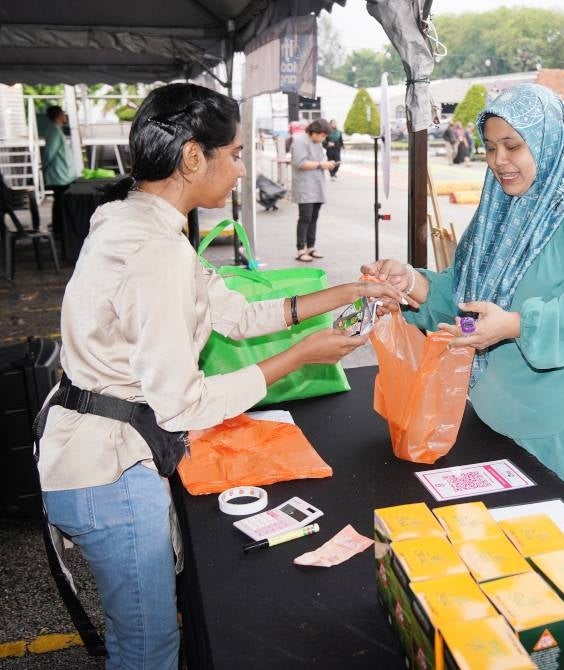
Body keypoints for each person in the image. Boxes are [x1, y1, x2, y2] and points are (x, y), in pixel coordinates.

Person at [35, 83, 406, 670]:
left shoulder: (139, 222)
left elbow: (236, 313)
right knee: (148, 647)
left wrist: (354, 290)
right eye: (233, 154)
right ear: (191, 157)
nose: (240, 170)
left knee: (146, 635)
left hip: (95, 457)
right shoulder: (153, 251)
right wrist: (299, 357)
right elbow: (183, 406)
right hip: (108, 472)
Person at [363, 84, 564, 508]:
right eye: (491, 147)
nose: (499, 161)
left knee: (556, 542)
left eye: (513, 146)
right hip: (505, 412)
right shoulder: (502, 207)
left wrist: (517, 325)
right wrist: (412, 284)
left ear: (549, 140)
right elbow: (465, 297)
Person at [291, 118, 336, 262]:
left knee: (314, 218)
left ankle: (311, 247)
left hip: (317, 186)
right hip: (305, 187)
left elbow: (319, 161)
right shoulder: (300, 141)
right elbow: (300, 163)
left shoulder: (317, 143)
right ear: (315, 132)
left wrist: (326, 164)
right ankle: (300, 249)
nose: (323, 138)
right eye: (322, 135)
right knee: (305, 218)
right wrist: (322, 164)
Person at [42, 105, 79, 243]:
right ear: (58, 115)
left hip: (62, 174)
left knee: (60, 202)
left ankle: (60, 229)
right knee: (60, 202)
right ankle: (59, 230)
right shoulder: (54, 131)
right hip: (59, 175)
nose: (65, 116)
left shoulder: (56, 130)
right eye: (63, 113)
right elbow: (49, 153)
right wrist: (44, 167)